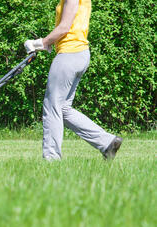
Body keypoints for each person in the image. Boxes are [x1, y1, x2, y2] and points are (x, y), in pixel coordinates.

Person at [24, 0, 122, 160]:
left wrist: (40, 43)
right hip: (80, 53)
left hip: (69, 54)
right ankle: (107, 143)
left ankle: (51, 158)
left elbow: (64, 27)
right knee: (63, 109)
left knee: (52, 106)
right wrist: (50, 42)